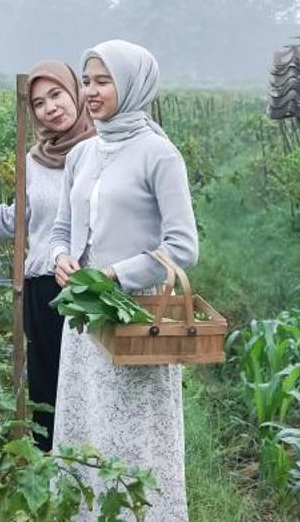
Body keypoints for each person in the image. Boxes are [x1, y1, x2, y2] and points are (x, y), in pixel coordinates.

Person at [44, 39, 197, 520]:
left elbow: (183, 248)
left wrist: (114, 273)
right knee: (85, 422)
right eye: (87, 80)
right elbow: (62, 229)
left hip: (136, 317)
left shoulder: (159, 155)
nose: (91, 91)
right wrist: (61, 258)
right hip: (85, 316)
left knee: (134, 436)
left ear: (132, 85)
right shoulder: (82, 155)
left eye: (103, 81)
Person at [0, 59, 94, 450]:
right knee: (48, 393)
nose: (50, 107)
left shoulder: (106, 149)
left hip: (97, 291)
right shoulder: (33, 161)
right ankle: (56, 485)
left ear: (75, 92)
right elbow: (17, 224)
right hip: (45, 290)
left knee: (94, 390)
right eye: (39, 102)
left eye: (57, 94)